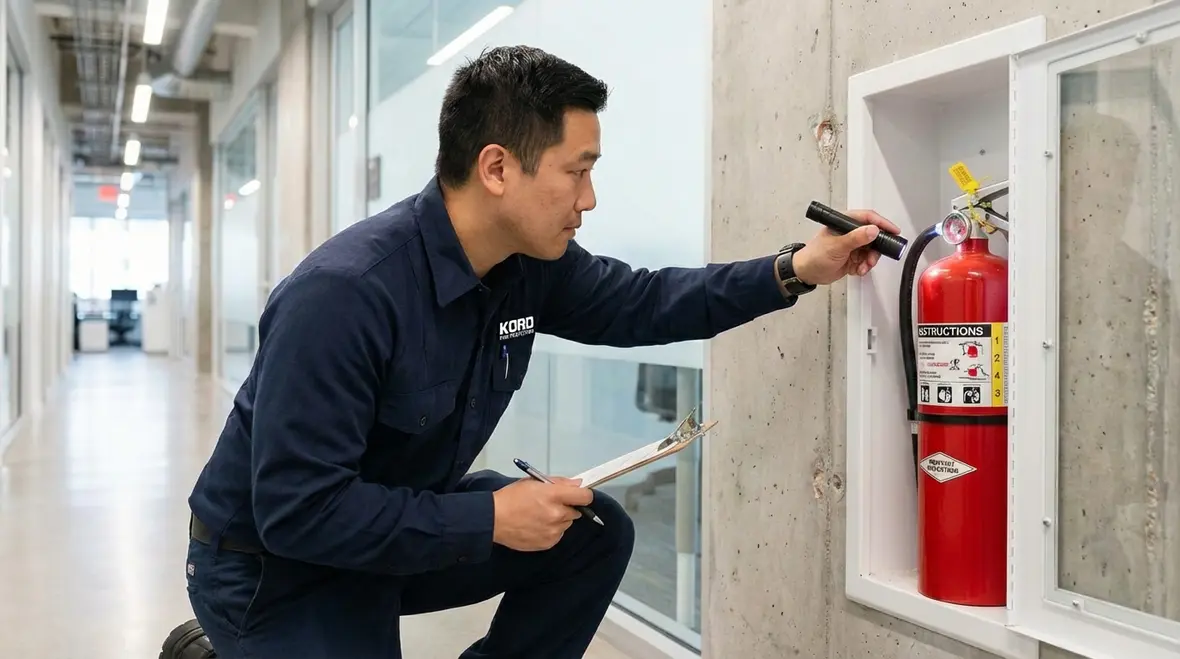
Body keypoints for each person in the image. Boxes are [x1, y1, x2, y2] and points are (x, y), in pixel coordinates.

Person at [183, 45, 898, 659]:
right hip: (274, 568)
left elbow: (646, 301)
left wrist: (798, 266)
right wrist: (491, 519)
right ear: (497, 168)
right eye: (576, 170)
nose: (589, 197)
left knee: (589, 532)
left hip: (395, 527)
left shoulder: (529, 264)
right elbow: (298, 510)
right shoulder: (344, 296)